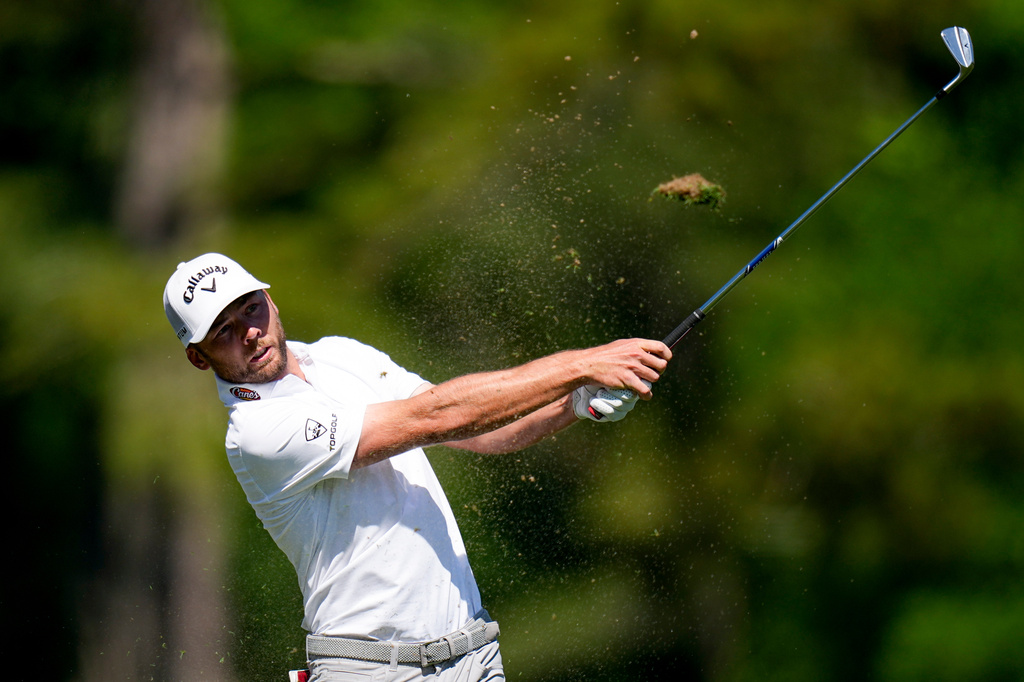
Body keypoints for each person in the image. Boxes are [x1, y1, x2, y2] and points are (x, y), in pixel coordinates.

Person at [163, 252, 671, 682]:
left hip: (474, 656)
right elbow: (436, 417)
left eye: (251, 308)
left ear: (271, 301)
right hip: (372, 671)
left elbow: (475, 429)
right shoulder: (257, 432)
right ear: (199, 358)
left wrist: (572, 403)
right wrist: (581, 364)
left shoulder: (341, 355)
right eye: (224, 331)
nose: (250, 333)